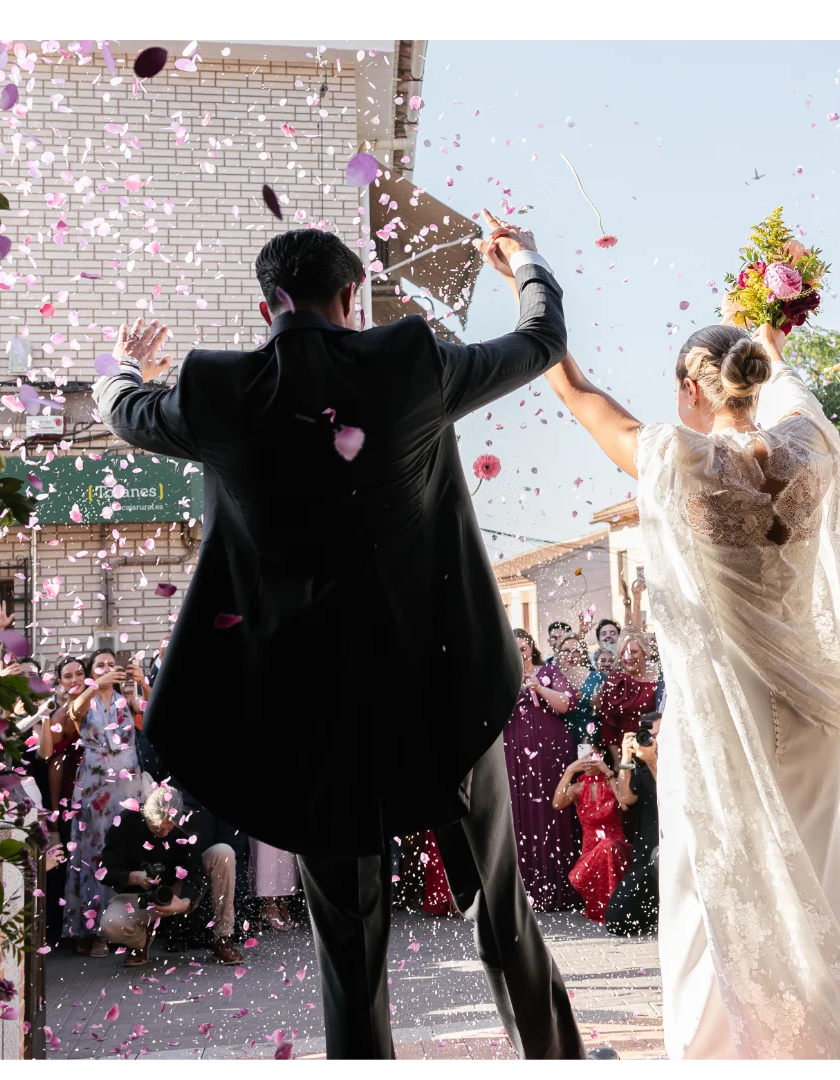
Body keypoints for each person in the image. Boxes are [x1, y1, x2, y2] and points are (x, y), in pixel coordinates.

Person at [93, 215, 583, 1063]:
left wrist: (130, 366)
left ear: (265, 307)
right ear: (353, 296)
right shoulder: (410, 362)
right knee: (499, 909)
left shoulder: (219, 391)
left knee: (349, 950)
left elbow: (128, 412)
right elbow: (542, 338)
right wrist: (522, 262)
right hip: (443, 692)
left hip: (309, 714)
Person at [543, 320, 840, 1060]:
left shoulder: (679, 460)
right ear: (758, 379)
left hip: (726, 722)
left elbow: (576, 389)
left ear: (687, 388)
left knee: (711, 905)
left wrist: (525, 275)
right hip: (812, 715)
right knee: (817, 906)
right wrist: (773, 338)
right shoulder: (807, 449)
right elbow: (794, 393)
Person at [59, 649, 146, 956]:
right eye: (100, 666)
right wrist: (96, 685)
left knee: (127, 847)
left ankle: (130, 927)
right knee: (95, 851)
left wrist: (143, 682)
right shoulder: (86, 697)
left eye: (111, 664)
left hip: (127, 781)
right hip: (95, 784)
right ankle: (95, 931)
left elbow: (146, 715)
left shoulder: (126, 696)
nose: (107, 669)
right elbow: (73, 716)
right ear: (91, 672)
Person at [100, 787, 244, 966]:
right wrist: (135, 877)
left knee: (223, 852)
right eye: (157, 829)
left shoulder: (186, 822)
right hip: (140, 896)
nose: (164, 834)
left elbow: (195, 870)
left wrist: (185, 901)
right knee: (110, 924)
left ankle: (223, 938)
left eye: (169, 829)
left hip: (178, 889)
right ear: (146, 815)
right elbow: (105, 871)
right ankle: (139, 943)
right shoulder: (125, 821)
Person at [506, 629, 583, 910]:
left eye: (524, 648)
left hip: (551, 756)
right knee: (519, 814)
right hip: (514, 756)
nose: (520, 653)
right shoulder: (501, 674)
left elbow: (567, 704)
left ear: (532, 648)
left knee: (553, 812)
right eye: (513, 649)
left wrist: (539, 687)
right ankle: (522, 892)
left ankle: (557, 888)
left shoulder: (548, 671)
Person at [552, 752, 630, 924]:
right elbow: (557, 804)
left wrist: (607, 771)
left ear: (600, 755)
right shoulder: (577, 788)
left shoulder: (613, 782)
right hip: (591, 850)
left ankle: (616, 910)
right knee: (604, 848)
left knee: (608, 846)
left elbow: (624, 805)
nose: (587, 761)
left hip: (617, 846)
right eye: (583, 756)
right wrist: (569, 771)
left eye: (591, 756)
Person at [605, 718, 661, 936]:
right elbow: (626, 799)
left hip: (675, 860)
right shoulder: (642, 769)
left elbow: (672, 797)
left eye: (657, 736)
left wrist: (654, 762)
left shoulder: (682, 767)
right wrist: (626, 758)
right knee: (616, 921)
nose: (653, 741)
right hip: (646, 861)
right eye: (649, 737)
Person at [592, 632, 659, 759]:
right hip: (625, 751)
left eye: (634, 652)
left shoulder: (659, 680)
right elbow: (608, 724)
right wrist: (618, 760)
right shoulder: (613, 681)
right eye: (623, 653)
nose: (628, 657)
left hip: (654, 749)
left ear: (644, 653)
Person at [554, 633, 599, 749]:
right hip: (558, 735)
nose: (570, 655)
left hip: (590, 737)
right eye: (565, 650)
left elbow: (609, 712)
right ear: (558, 654)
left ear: (583, 655)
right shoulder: (550, 679)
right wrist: (564, 700)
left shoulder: (598, 677)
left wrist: (599, 706)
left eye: (576, 651)